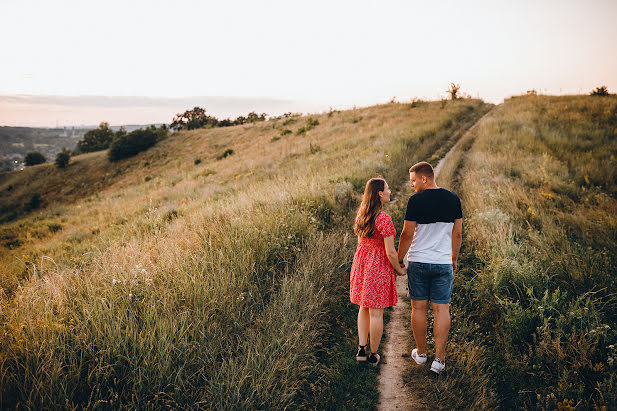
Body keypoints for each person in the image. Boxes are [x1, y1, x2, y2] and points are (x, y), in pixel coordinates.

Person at [397, 161, 462, 374]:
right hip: (443, 262)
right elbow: (458, 233)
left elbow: (407, 234)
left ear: (424, 179)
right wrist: (453, 258)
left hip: (419, 262)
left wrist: (399, 259)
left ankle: (422, 354)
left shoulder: (415, 201)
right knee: (442, 309)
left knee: (419, 308)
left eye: (413, 181)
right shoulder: (453, 199)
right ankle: (439, 361)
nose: (412, 185)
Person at [350, 177, 407, 366]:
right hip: (377, 265)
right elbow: (391, 252)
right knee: (376, 313)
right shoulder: (383, 219)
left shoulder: (362, 214)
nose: (390, 191)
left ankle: (361, 349)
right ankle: (374, 354)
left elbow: (360, 243)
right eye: (387, 189)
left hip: (361, 263)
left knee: (363, 307)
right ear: (380, 193)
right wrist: (398, 269)